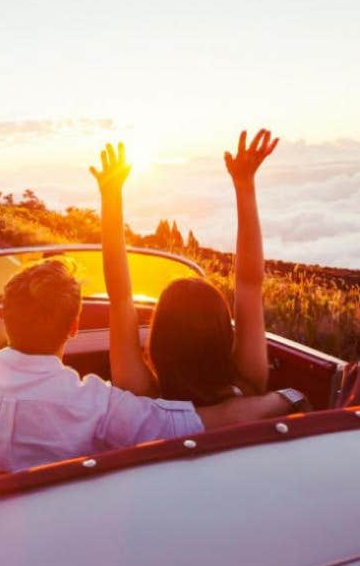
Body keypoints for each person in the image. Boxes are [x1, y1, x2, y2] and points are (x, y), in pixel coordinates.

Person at [0, 257, 301, 473]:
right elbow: (205, 422)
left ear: (6, 318)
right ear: (75, 327)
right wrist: (284, 396)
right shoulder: (98, 406)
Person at [89, 131, 309, 411]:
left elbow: (120, 297)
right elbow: (249, 285)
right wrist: (244, 185)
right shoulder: (249, 385)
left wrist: (111, 196)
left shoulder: (145, 399)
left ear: (159, 342)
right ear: (223, 335)